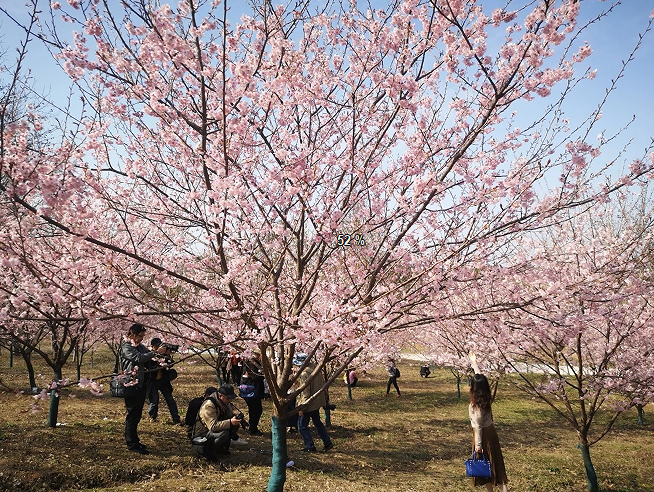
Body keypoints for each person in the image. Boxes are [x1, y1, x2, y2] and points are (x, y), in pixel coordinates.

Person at [119, 323, 165, 454]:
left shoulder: (139, 346)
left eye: (143, 336)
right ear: (132, 333)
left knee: (137, 415)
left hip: (139, 385)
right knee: (132, 415)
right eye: (139, 336)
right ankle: (131, 444)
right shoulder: (127, 347)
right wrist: (155, 352)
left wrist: (162, 353)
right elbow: (139, 358)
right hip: (131, 384)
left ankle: (135, 441)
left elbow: (149, 356)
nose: (141, 339)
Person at [468, 352, 509, 492]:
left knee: (484, 465)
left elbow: (478, 426)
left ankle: (491, 490)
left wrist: (478, 445)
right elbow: (480, 379)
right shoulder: (486, 397)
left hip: (483, 435)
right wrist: (474, 363)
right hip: (491, 432)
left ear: (474, 388)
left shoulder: (476, 406)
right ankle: (503, 489)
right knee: (496, 462)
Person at [191, 384, 244, 460]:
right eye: (228, 398)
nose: (229, 401)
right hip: (202, 434)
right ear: (220, 396)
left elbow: (227, 415)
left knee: (233, 426)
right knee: (224, 433)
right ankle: (208, 453)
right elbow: (213, 426)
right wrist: (230, 422)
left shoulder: (224, 403)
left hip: (211, 431)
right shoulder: (209, 405)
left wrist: (235, 418)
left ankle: (222, 449)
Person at [293, 353, 334, 452]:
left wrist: (302, 408)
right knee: (317, 423)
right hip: (317, 402)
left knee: (301, 426)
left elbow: (305, 392)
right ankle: (327, 442)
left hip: (308, 404)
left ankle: (310, 446)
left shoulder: (304, 374)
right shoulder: (316, 369)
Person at [147, 337, 181, 425]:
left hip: (163, 381)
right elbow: (148, 366)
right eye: (157, 346)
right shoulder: (149, 354)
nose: (159, 348)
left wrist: (167, 356)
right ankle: (152, 416)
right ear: (152, 346)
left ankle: (176, 418)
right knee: (154, 400)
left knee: (170, 400)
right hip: (153, 382)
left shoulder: (165, 354)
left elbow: (170, 364)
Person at [241, 348, 265, 435]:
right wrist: (262, 374)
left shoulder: (248, 363)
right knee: (257, 410)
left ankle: (252, 427)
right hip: (253, 390)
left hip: (249, 390)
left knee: (253, 409)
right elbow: (256, 377)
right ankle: (253, 428)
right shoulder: (254, 364)